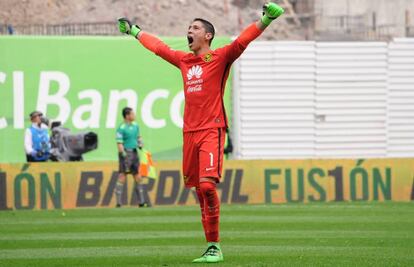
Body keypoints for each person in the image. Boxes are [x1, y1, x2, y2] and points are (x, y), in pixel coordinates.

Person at [117, 2, 284, 263]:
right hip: (189, 133)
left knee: (207, 185)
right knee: (199, 190)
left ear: (208, 36)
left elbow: (241, 42)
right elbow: (160, 48)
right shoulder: (185, 60)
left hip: (211, 129)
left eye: (195, 27)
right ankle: (210, 247)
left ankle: (216, 245)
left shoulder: (219, 57)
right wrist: (135, 31)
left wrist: (266, 20)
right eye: (188, 27)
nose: (189, 31)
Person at [115, 107, 147, 208]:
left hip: (134, 152)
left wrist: (140, 143)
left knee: (138, 176)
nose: (134, 115)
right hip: (126, 153)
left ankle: (141, 202)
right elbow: (119, 143)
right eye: (132, 114)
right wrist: (123, 154)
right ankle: (119, 203)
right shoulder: (121, 128)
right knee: (122, 176)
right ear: (127, 116)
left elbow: (138, 137)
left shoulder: (136, 125)